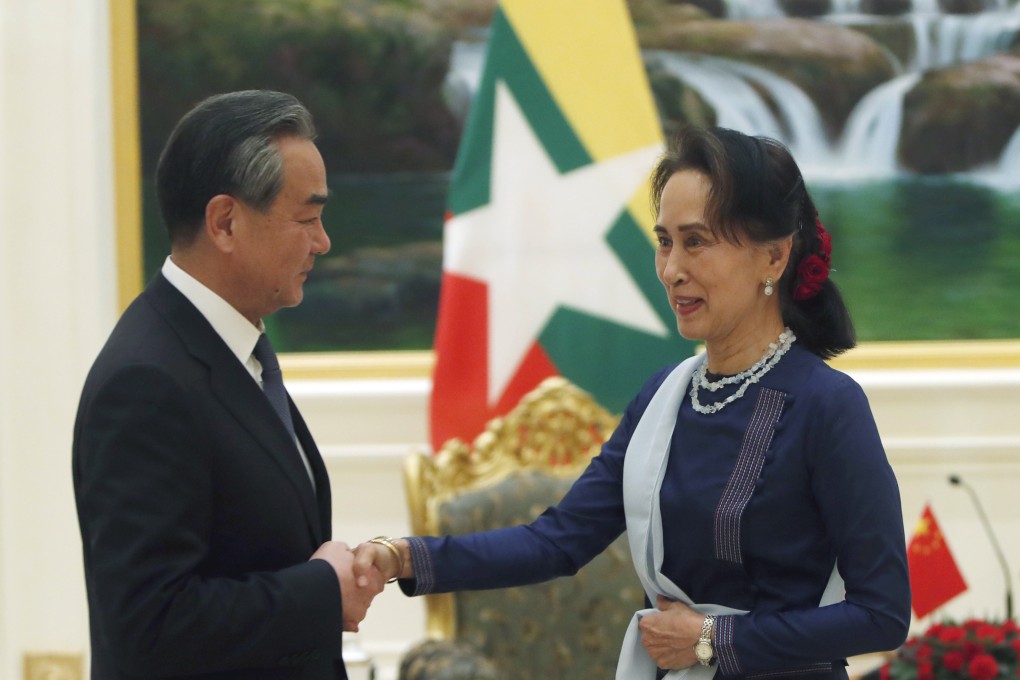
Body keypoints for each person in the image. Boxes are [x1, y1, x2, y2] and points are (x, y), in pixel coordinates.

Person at [355, 127, 911, 679]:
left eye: (696, 241)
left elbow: (881, 615)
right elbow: (556, 541)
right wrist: (405, 558)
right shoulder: (663, 398)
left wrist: (713, 640)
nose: (672, 270)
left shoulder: (827, 405)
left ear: (774, 257)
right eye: (665, 241)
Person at [72, 90, 385, 680]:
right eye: (307, 218)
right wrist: (322, 590)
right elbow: (149, 626)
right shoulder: (147, 381)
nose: (323, 242)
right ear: (225, 222)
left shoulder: (230, 350)